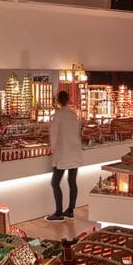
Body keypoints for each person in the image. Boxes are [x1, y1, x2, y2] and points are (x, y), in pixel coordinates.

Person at [46, 90, 82, 221]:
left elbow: (54, 136)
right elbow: (78, 133)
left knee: (55, 182)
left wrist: (52, 149)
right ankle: (70, 210)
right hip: (75, 151)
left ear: (57, 101)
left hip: (62, 153)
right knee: (72, 182)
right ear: (68, 100)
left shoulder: (58, 115)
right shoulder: (73, 115)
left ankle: (59, 212)